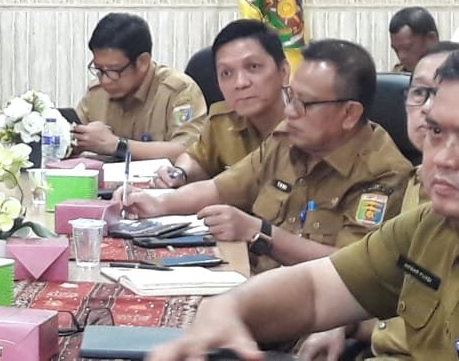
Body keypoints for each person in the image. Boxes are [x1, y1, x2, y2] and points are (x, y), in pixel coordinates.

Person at [147, 51, 459, 361]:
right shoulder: (429, 227)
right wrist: (226, 308)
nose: (444, 158)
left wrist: (259, 233)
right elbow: (316, 288)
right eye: (436, 131)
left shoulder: (385, 171)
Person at [114, 39, 412, 274]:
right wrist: (156, 203)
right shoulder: (286, 139)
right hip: (250, 279)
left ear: (349, 114)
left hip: (314, 308)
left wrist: (260, 233)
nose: (290, 112)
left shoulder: (384, 173)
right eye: (290, 97)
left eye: (304, 104)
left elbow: (350, 266)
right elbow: (220, 188)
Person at [297, 41, 459, 360]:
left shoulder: (390, 174)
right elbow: (336, 283)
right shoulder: (421, 195)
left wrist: (261, 236)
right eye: (420, 92)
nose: (427, 107)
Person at [152, 20, 289, 188]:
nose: (240, 83)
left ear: (283, 72)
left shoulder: (309, 124)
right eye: (226, 73)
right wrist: (180, 173)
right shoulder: (222, 121)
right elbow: (197, 160)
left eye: (253, 67)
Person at [73, 13, 207, 161]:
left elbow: (188, 152)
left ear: (143, 62)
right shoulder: (96, 92)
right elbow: (73, 137)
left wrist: (117, 145)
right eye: (99, 69)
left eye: (113, 70)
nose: (105, 81)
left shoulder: (179, 91)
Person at [389, 6, 438, 73]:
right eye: (396, 50)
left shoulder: (451, 73)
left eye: (407, 48)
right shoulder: (398, 74)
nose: (401, 56)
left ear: (431, 39)